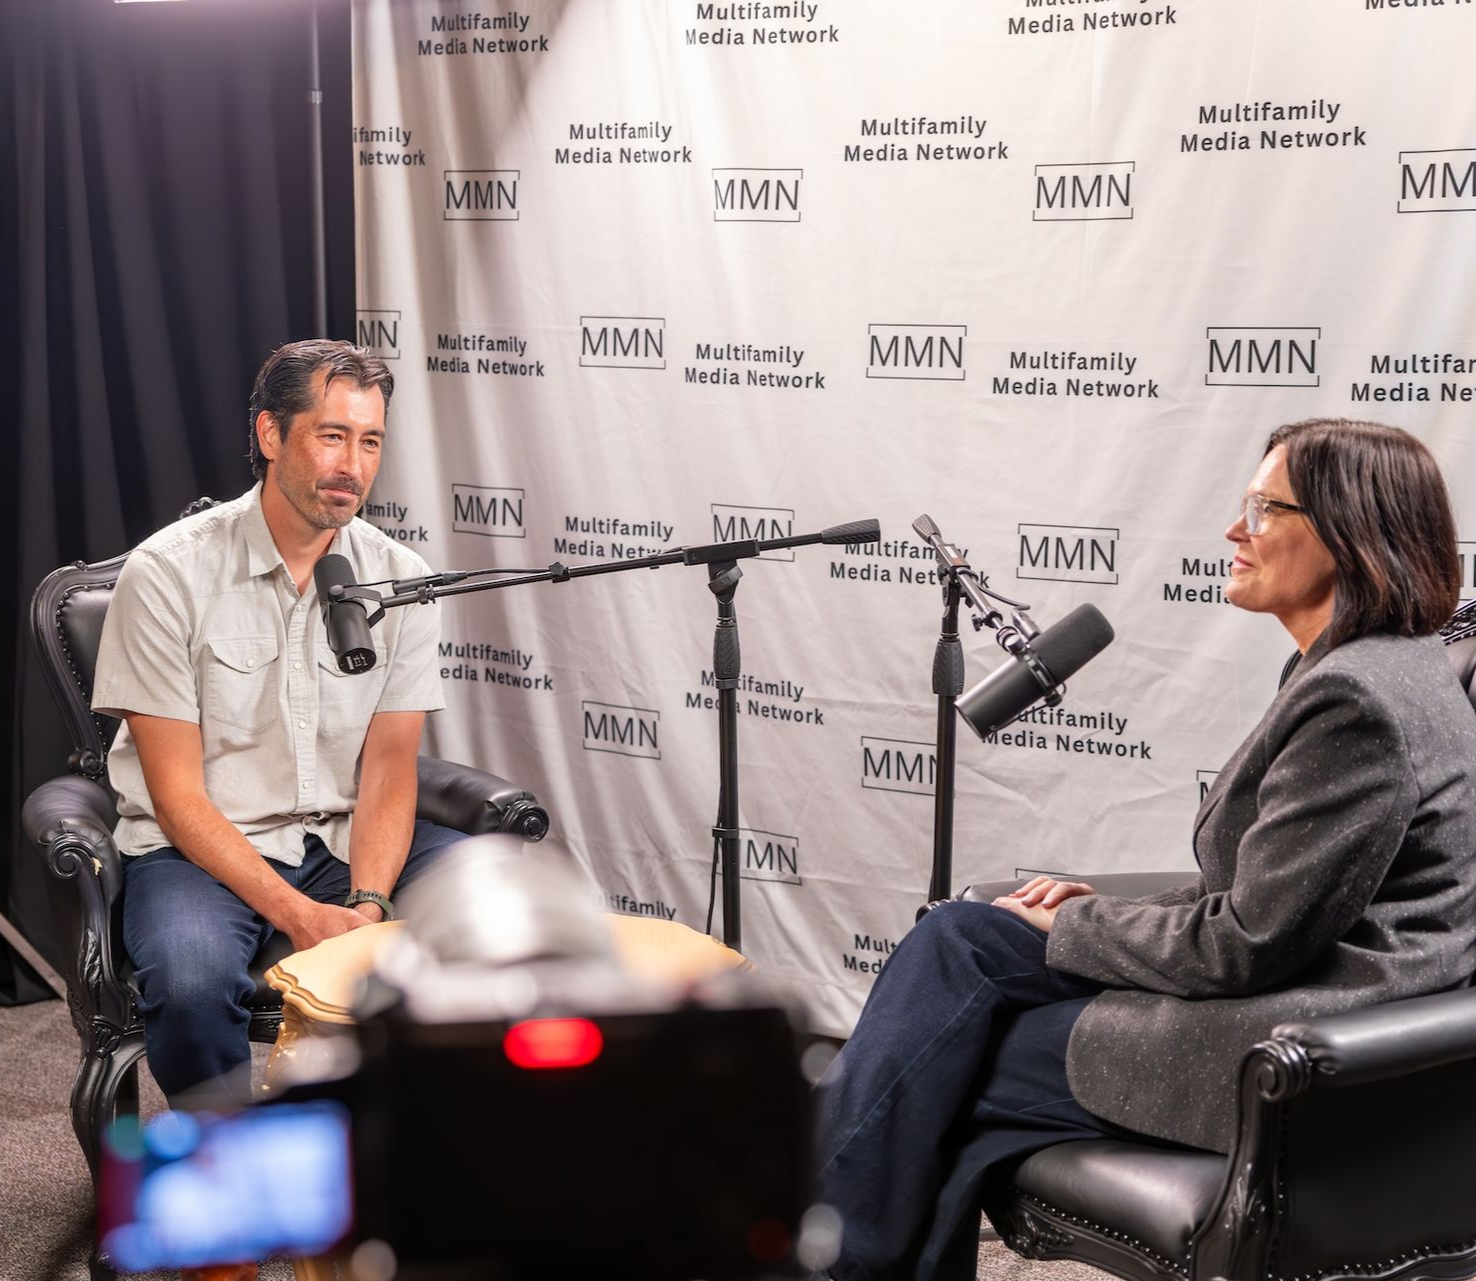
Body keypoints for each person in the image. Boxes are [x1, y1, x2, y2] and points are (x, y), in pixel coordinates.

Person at [814, 418, 1476, 1281]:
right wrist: (1087, 910)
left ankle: (822, 1250)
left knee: (945, 1049)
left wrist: (1082, 923)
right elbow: (1268, 893)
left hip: (1308, 1043)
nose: (1234, 532)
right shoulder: (1387, 667)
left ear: (1348, 532)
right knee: (964, 942)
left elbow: (1250, 941)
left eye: (1263, 509)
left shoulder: (1357, 699)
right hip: (1332, 999)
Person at [93, 339, 466, 1110]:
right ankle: (236, 1177)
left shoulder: (399, 579)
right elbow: (175, 796)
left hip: (339, 839)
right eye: (332, 436)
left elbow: (390, 770)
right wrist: (300, 916)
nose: (353, 466)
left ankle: (430, 1159)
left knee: (498, 907)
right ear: (271, 435)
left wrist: (366, 907)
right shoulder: (167, 572)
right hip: (199, 846)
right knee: (191, 988)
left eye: (370, 442)